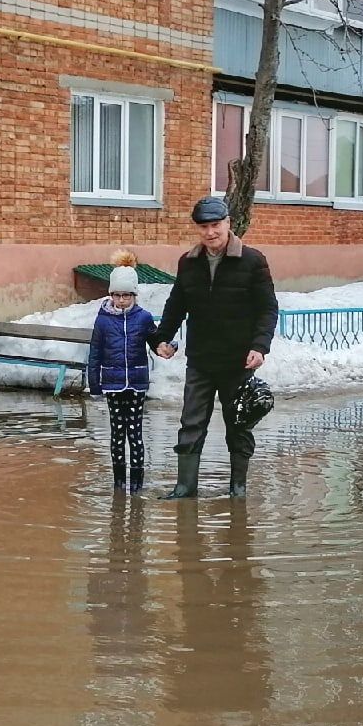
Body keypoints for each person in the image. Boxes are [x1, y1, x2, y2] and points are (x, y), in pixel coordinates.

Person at [150, 196, 278, 499]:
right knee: (190, 423)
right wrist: (160, 338)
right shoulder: (189, 262)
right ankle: (185, 487)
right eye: (204, 227)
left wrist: (260, 346)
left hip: (239, 362)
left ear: (228, 223)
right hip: (201, 361)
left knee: (238, 425)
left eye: (215, 225)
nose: (210, 232)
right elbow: (176, 304)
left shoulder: (252, 260)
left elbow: (268, 309)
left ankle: (238, 488)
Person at [86, 250, 160, 492]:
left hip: (136, 383)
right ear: (111, 295)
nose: (121, 300)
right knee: (117, 434)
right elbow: (95, 352)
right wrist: (95, 383)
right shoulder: (103, 320)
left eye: (126, 295)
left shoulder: (144, 318)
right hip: (112, 384)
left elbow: (156, 341)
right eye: (117, 295)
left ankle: (137, 485)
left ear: (134, 295)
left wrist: (168, 346)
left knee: (136, 434)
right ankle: (119, 483)